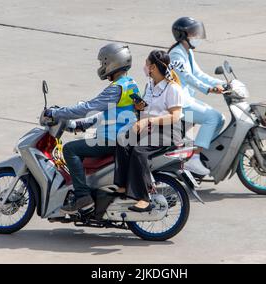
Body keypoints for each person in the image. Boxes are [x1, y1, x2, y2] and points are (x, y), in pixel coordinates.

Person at [43, 43, 140, 214]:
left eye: (103, 63)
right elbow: (104, 113)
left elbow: (87, 108)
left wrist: (57, 113)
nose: (102, 67)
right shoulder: (130, 83)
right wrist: (80, 125)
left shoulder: (116, 88)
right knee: (79, 148)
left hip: (112, 139)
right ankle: (85, 190)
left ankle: (83, 198)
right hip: (121, 137)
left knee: (70, 149)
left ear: (112, 62)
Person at [114, 50, 183, 212]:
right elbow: (149, 108)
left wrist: (148, 120)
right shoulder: (150, 85)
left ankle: (143, 197)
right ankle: (123, 185)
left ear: (152, 67)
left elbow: (175, 116)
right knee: (122, 140)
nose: (144, 67)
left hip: (168, 131)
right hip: (150, 128)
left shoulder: (172, 89)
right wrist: (140, 108)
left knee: (139, 151)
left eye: (146, 64)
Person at [169, 17, 226, 176]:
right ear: (182, 35)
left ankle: (199, 151)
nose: (196, 35)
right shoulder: (175, 54)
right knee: (212, 118)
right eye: (193, 33)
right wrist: (209, 89)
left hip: (187, 99)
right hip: (179, 103)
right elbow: (188, 77)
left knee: (220, 118)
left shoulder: (188, 51)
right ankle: (194, 158)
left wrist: (223, 82)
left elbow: (198, 73)